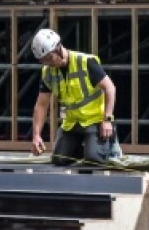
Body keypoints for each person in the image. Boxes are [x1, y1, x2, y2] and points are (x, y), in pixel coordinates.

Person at [29, 28, 119, 166]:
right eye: (44, 61)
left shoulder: (85, 62)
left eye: (50, 58)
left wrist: (107, 119)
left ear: (58, 48)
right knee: (59, 159)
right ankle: (86, 147)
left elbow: (110, 88)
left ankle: (109, 146)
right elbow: (41, 104)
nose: (49, 63)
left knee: (94, 159)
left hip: (94, 121)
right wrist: (36, 135)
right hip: (71, 123)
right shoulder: (48, 72)